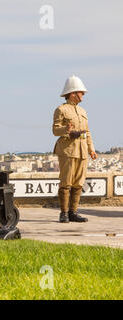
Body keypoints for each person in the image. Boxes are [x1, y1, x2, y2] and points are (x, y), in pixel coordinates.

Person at [52, 75, 97, 223]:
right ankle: (64, 213)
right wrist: (67, 128)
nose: (83, 95)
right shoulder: (61, 110)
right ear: (73, 93)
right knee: (66, 182)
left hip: (82, 150)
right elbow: (55, 130)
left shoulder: (83, 111)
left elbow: (88, 132)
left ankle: (73, 212)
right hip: (68, 150)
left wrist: (91, 149)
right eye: (81, 92)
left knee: (78, 183)